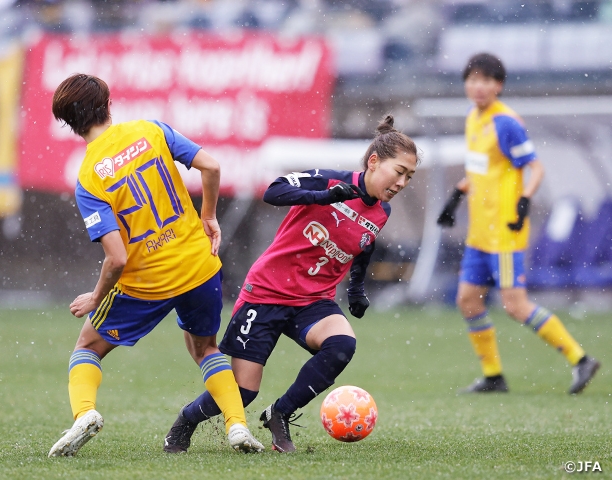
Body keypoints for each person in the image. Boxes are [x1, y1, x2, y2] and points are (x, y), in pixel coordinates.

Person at [163, 114, 420, 454]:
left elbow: (363, 245)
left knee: (341, 345)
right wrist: (324, 198)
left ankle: (280, 413)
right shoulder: (329, 182)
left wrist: (356, 290)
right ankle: (185, 422)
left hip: (313, 300)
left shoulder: (381, 212)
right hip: (267, 293)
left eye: (410, 177)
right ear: (374, 162)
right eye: (399, 171)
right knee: (242, 392)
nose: (402, 182)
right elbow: (274, 191)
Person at [48, 73, 263, 457]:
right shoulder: (149, 130)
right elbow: (211, 166)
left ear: (69, 124)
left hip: (145, 283)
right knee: (206, 349)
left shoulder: (89, 178)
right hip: (199, 265)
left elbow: (117, 258)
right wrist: (208, 215)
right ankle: (236, 426)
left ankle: (84, 414)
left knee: (87, 346)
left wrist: (97, 296)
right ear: (108, 104)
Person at [437, 53, 600, 395]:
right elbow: (480, 169)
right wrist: (456, 197)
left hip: (505, 233)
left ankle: (580, 358)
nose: (479, 86)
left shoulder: (506, 123)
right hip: (480, 233)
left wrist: (524, 201)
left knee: (515, 304)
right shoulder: (472, 119)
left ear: (499, 85)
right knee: (468, 299)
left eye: (487, 80)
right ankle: (493, 376)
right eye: (473, 79)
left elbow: (535, 168)